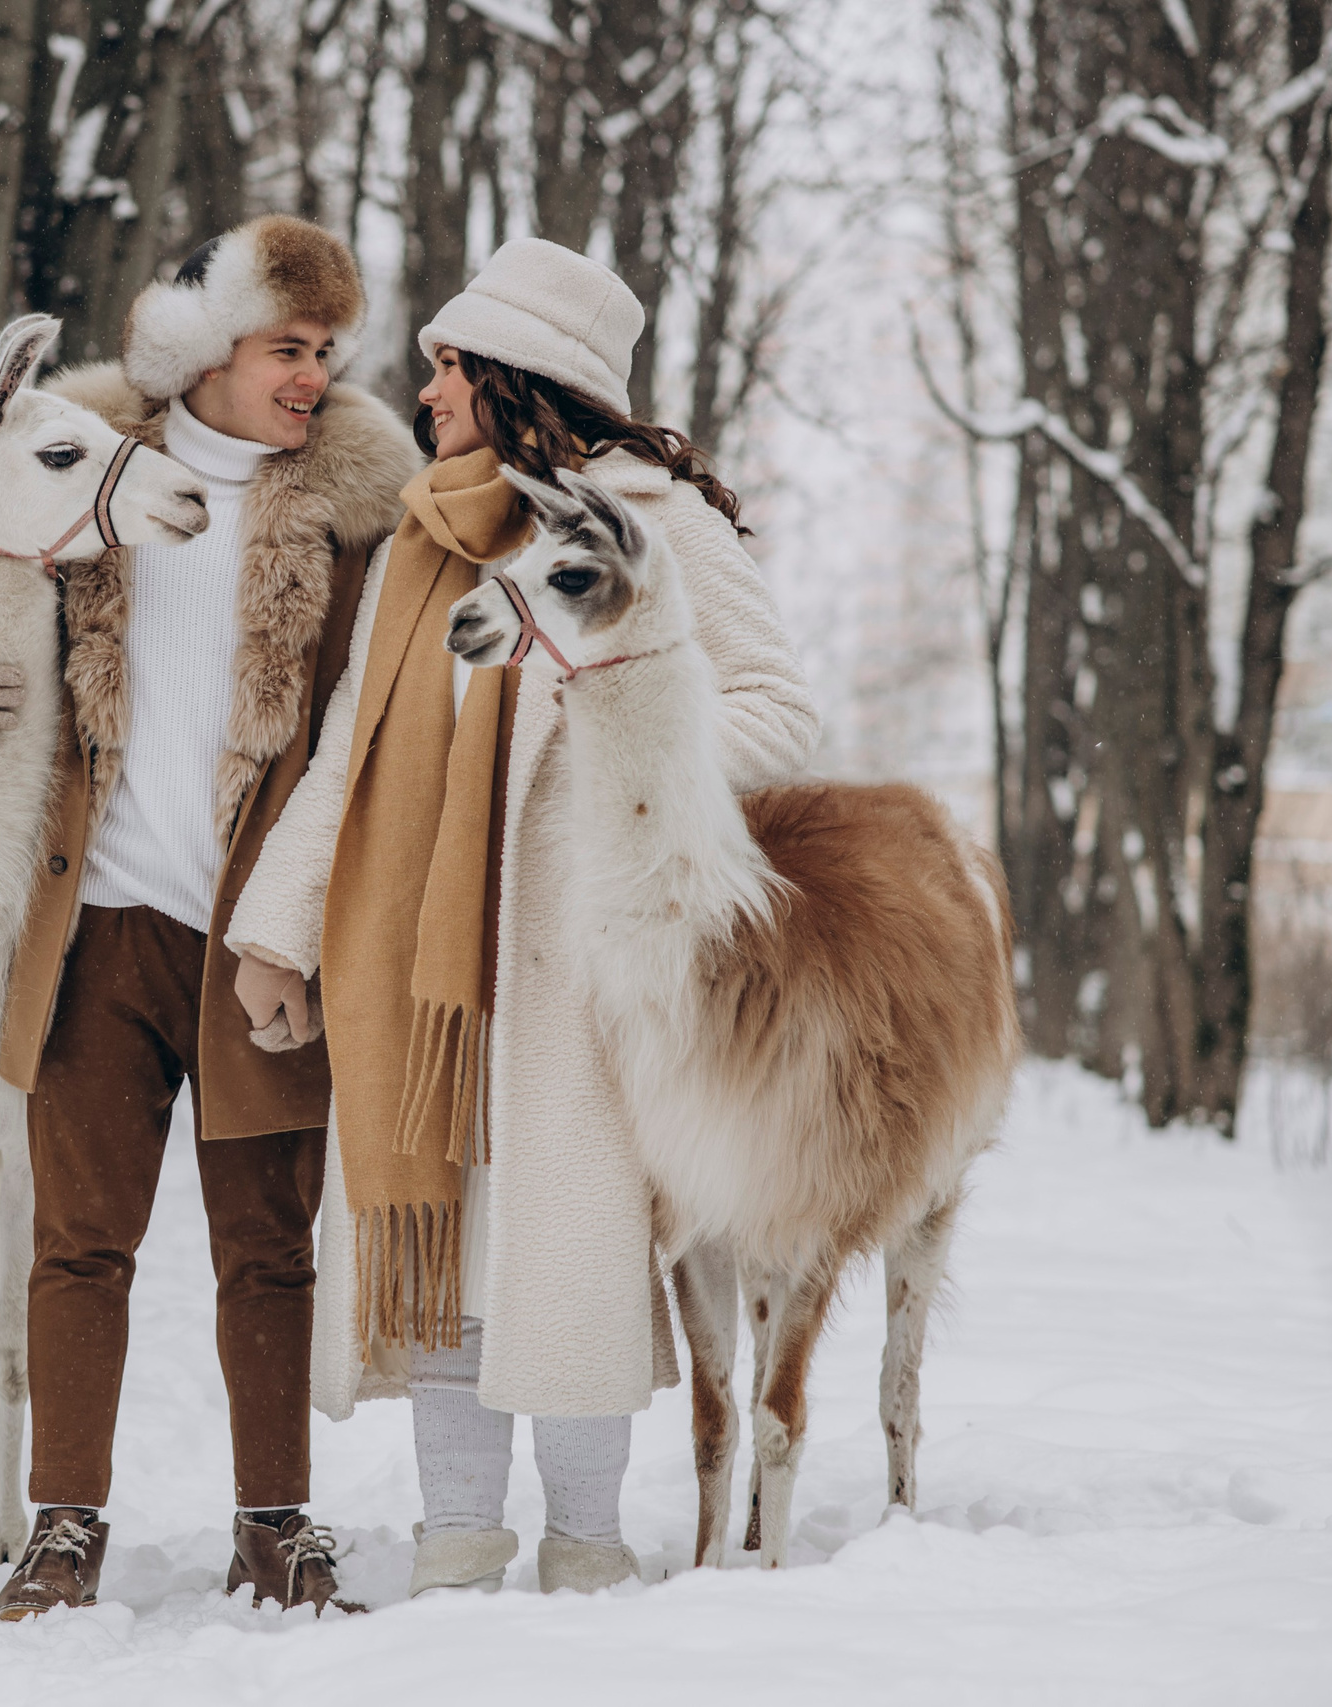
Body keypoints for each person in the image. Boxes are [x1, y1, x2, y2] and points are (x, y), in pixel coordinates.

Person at [225, 238, 817, 1598]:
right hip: (418, 970)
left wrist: (628, 764)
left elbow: (779, 712)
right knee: (445, 1243)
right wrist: (279, 930)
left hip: (584, 959)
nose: (426, 390)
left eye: (448, 364)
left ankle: (590, 1550)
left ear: (516, 376)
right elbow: (346, 757)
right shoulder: (424, 542)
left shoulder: (652, 523)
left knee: (573, 1241)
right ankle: (456, 1543)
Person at [0, 215, 419, 1620]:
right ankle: (65, 1526)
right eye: (285, 348)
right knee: (79, 1239)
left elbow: (373, 735)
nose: (310, 376)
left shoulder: (356, 525)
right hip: (100, 924)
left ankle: (275, 1526)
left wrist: (296, 935)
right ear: (210, 351)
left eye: (325, 354)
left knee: (267, 1245)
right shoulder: (86, 471)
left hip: (258, 942)